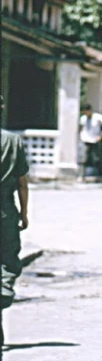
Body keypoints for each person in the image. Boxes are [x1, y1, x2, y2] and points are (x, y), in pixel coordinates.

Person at [1, 95, 30, 346]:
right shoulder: (12, 141)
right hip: (5, 212)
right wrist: (24, 212)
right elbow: (22, 183)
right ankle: (3, 292)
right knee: (7, 262)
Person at [78, 104, 102, 179]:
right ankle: (82, 175)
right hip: (86, 140)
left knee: (98, 157)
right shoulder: (83, 118)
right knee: (84, 158)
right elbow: (81, 127)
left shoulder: (98, 117)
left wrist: (101, 135)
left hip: (95, 139)